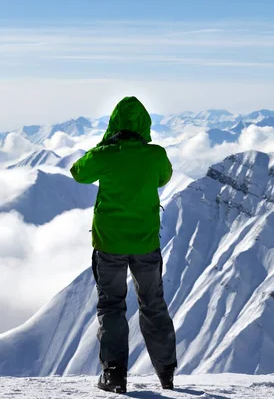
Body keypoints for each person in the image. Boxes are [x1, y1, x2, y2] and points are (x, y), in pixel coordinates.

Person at [70, 96, 177, 394]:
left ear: (113, 125)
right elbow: (163, 177)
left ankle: (114, 375)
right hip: (145, 242)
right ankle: (166, 373)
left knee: (112, 305)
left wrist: (105, 145)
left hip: (109, 244)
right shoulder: (155, 155)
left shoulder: (105, 155)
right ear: (145, 125)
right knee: (153, 304)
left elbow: (78, 173)